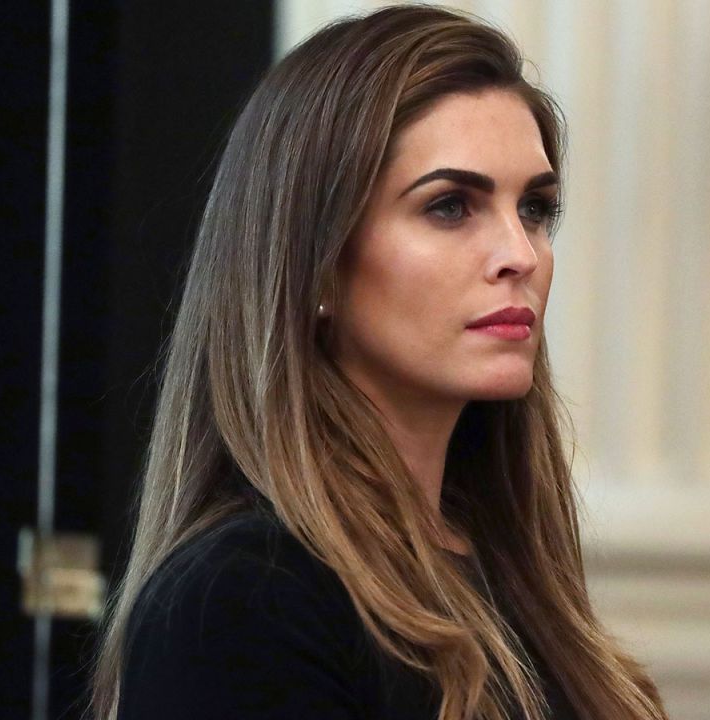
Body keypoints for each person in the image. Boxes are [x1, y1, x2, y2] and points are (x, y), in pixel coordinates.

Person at [89, 5, 668, 719]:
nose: (521, 254)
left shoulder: (509, 572)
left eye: (536, 209)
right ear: (318, 263)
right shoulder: (243, 598)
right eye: (451, 206)